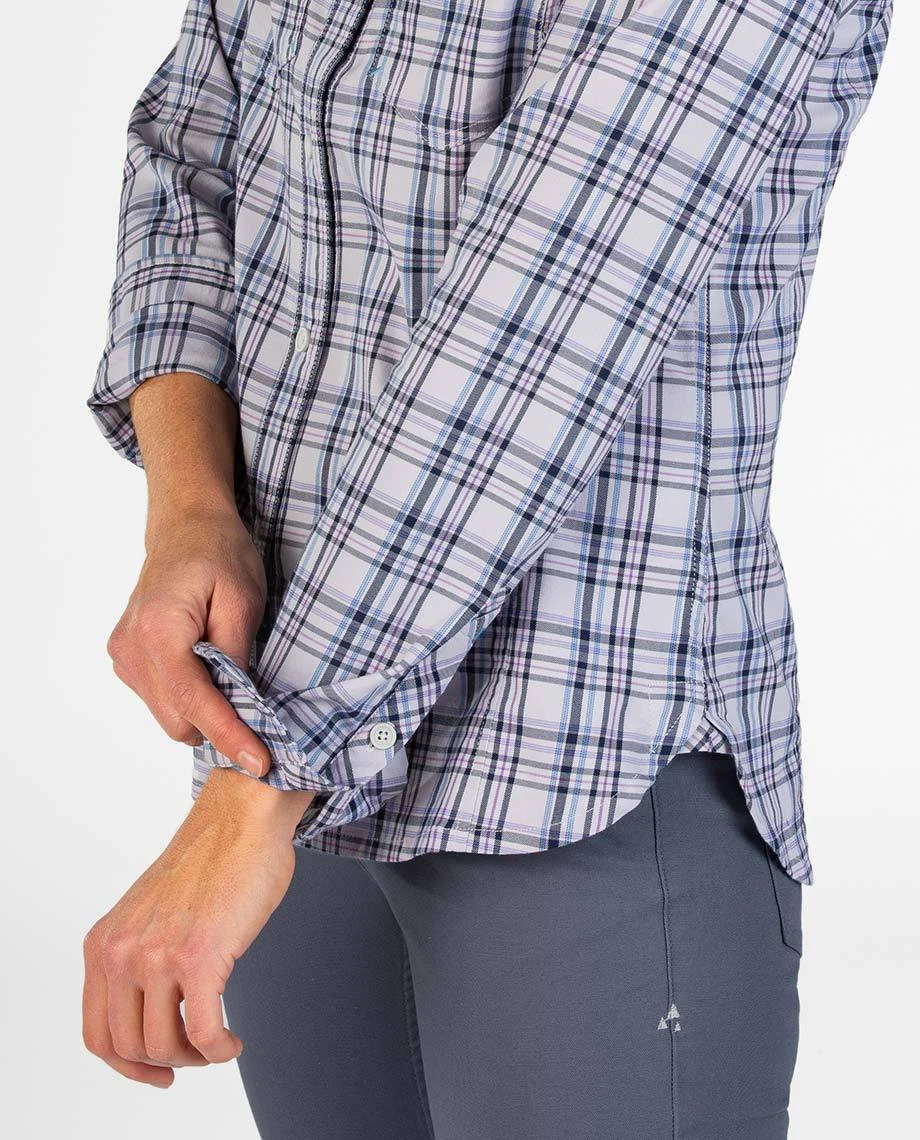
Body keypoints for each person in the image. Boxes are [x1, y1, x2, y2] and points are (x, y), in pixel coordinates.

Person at [81, 1, 892, 1136]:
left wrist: (256, 793)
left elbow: (533, 339)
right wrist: (190, 508)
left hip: (573, 772)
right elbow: (190, 151)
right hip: (285, 756)